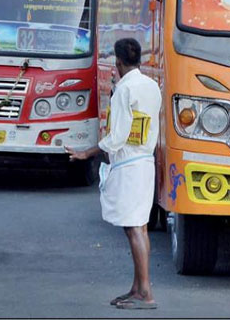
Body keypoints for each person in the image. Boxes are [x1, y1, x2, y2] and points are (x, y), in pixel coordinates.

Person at [65, 38, 161, 310]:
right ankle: (138, 287)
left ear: (118, 62)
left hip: (129, 163)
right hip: (145, 160)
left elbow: (117, 136)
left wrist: (87, 152)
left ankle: (145, 292)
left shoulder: (124, 90)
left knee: (133, 228)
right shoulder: (152, 85)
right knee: (139, 226)